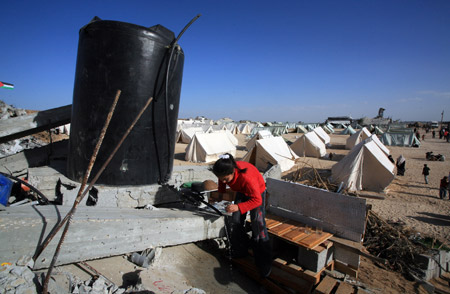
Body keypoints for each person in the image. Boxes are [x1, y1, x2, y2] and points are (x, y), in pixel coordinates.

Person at [213, 153, 272, 278]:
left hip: (257, 193)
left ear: (233, 172)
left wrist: (238, 207)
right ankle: (241, 250)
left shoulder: (247, 178)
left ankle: (264, 262)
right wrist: (220, 194)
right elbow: (221, 180)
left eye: (226, 179)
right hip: (242, 190)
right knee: (235, 221)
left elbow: (257, 200)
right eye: (221, 178)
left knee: (258, 225)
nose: (223, 181)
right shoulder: (225, 172)